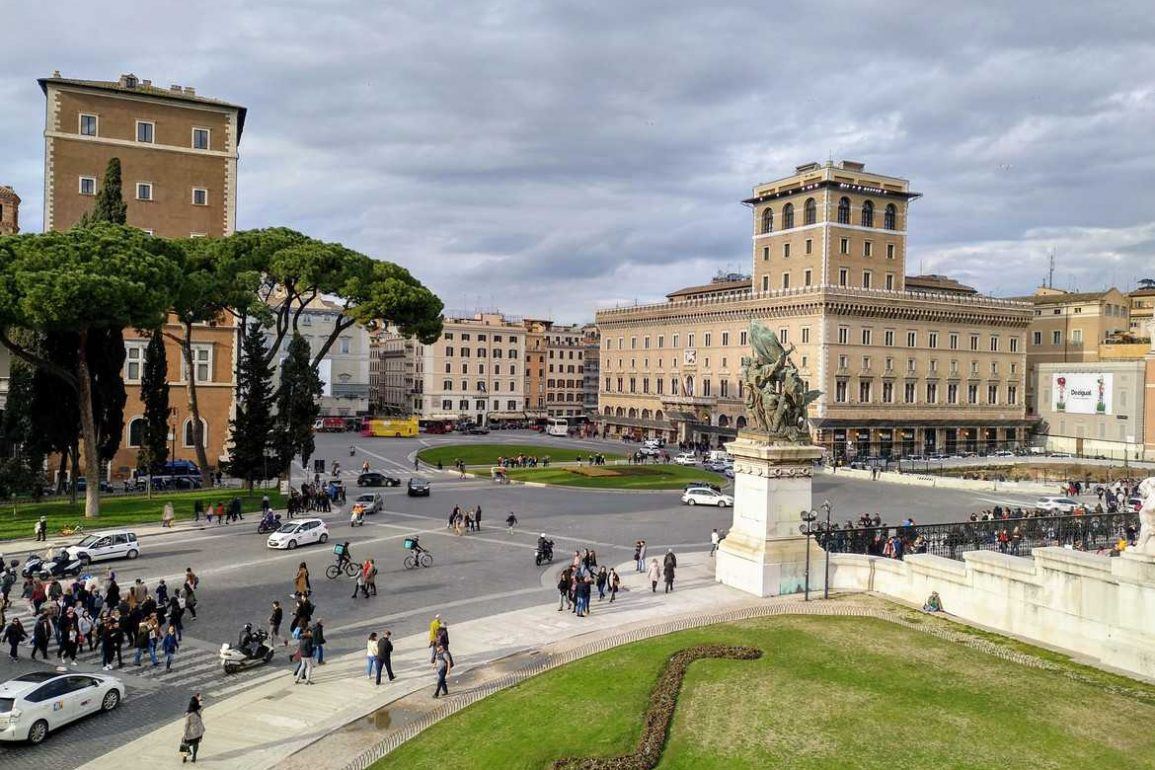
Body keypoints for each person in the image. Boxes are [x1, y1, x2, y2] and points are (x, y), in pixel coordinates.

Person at [182, 694, 205, 763]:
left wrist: (185, 734)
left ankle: (185, 757)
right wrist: (200, 699)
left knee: (184, 744)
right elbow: (202, 705)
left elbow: (186, 725)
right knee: (196, 744)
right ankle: (194, 757)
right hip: (198, 731)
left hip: (190, 732)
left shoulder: (188, 714)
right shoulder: (199, 711)